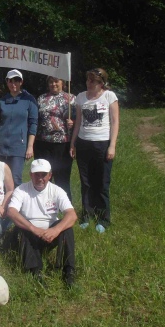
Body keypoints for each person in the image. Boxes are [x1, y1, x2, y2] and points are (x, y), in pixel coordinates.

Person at [7, 159, 77, 287]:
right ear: (30, 175)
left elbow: (72, 215)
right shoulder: (21, 190)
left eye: (43, 175)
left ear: (50, 175)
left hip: (50, 233)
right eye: (36, 175)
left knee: (67, 228)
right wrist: (33, 228)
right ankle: (35, 271)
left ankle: (69, 271)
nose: (40, 179)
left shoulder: (57, 190)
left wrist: (56, 230)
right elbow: (11, 212)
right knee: (22, 227)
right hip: (30, 233)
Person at [70, 68, 119, 233]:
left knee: (102, 182)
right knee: (86, 182)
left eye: (93, 81)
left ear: (101, 83)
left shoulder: (109, 96)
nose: (89, 83)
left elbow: (115, 122)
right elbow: (78, 122)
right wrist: (73, 143)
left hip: (102, 144)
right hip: (83, 144)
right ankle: (86, 214)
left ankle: (103, 218)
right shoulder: (80, 97)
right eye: (88, 80)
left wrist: (112, 145)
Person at [0, 69, 38, 188]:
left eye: (16, 80)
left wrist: (30, 146)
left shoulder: (29, 100)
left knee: (15, 178)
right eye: (10, 81)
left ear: (21, 82)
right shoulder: (2, 101)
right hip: (0, 146)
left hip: (18, 146)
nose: (13, 83)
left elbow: (33, 123)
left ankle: (16, 200)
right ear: (7, 82)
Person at [35, 76, 76, 201]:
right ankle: (43, 203)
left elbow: (79, 119)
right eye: (51, 82)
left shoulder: (71, 99)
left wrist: (73, 122)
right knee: (43, 175)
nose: (53, 84)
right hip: (42, 143)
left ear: (62, 82)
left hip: (63, 144)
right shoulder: (41, 98)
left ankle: (64, 205)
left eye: (56, 81)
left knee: (62, 176)